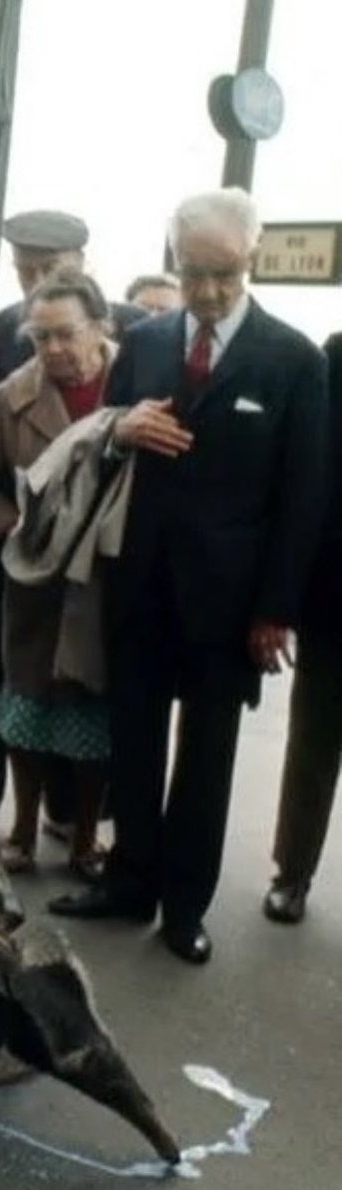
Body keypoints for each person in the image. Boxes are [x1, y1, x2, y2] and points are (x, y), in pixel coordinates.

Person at [49, 188, 328, 966]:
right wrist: (119, 428)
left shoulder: (291, 360)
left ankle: (182, 905)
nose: (205, 292)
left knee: (205, 760)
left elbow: (303, 499)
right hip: (139, 583)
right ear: (175, 257)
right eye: (193, 271)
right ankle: (128, 881)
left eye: (224, 275)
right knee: (130, 743)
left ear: (253, 258)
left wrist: (275, 609)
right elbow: (94, 444)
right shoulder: (144, 341)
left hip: (231, 605)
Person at [0, 270, 116, 880]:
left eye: (66, 334)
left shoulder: (134, 383)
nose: (54, 350)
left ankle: (86, 838)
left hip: (104, 583)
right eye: (40, 338)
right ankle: (23, 830)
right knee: (25, 710)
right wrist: (10, 530)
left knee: (94, 712)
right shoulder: (10, 399)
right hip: (33, 584)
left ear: (100, 328)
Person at [261, 327, 342, 924]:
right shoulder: (336, 356)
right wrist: (283, 599)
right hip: (336, 593)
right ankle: (293, 872)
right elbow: (313, 474)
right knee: (315, 740)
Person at [0, 210, 145, 389]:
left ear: (80, 262)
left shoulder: (134, 327)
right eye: (25, 272)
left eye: (50, 268)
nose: (39, 282)